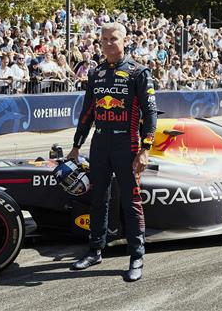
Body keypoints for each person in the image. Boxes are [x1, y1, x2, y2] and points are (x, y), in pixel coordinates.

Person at [67, 22, 157, 282]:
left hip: (126, 145)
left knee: (131, 200)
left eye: (113, 39)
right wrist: (76, 146)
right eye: (104, 39)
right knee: (98, 199)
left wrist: (145, 149)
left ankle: (136, 254)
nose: (108, 43)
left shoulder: (139, 72)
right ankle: (95, 249)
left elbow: (150, 114)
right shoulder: (96, 73)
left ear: (124, 40)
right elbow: (87, 112)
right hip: (100, 143)